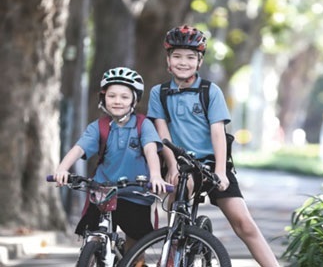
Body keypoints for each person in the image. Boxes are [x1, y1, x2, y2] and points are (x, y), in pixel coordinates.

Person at [147, 25, 280, 267]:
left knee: (243, 223)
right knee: (178, 198)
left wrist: (220, 171)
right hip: (181, 163)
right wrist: (171, 166)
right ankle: (175, 249)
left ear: (199, 62)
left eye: (190, 57)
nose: (183, 62)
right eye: (177, 56)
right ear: (168, 60)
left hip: (212, 162)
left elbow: (218, 133)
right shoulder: (160, 93)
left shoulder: (210, 91)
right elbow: (162, 134)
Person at [54, 67, 171, 254]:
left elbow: (151, 150)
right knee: (92, 234)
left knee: (135, 247)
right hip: (103, 191)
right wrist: (62, 168)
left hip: (135, 193)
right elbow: (79, 148)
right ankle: (94, 255)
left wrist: (155, 175)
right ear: (103, 98)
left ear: (134, 100)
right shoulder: (99, 126)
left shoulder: (143, 124)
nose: (117, 101)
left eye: (124, 97)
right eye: (112, 96)